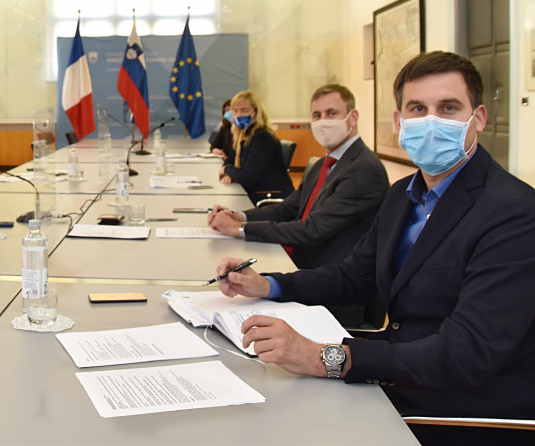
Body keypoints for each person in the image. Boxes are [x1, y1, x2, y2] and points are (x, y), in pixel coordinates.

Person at [214, 52, 535, 445]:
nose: (431, 121)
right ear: (399, 121)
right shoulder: (403, 194)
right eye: (418, 109)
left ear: (478, 118)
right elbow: (356, 275)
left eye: (448, 108)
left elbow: (464, 355)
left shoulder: (515, 213)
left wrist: (322, 357)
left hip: (462, 410)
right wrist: (268, 285)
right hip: (398, 373)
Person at [207, 84, 389, 326]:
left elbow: (311, 230)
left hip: (332, 293)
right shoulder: (325, 163)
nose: (323, 122)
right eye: (317, 115)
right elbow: (288, 209)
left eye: (332, 113)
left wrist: (238, 231)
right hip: (300, 268)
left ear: (352, 117)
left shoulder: (364, 169)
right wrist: (238, 217)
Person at [217, 90, 293, 204]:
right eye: (235, 111)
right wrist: (230, 171)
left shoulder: (262, 137)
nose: (238, 115)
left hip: (270, 197)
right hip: (255, 192)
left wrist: (228, 170)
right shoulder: (241, 134)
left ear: (256, 113)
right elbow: (229, 161)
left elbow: (247, 178)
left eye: (244, 110)